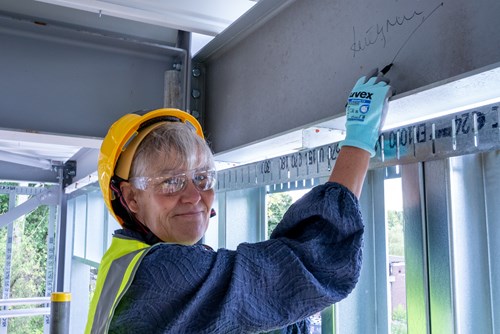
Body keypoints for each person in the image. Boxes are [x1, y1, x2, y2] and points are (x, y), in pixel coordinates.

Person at [85, 70, 392, 334]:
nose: (194, 197)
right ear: (130, 198)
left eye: (203, 178)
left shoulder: (123, 261)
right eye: (171, 182)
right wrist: (358, 143)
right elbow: (303, 269)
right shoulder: (158, 273)